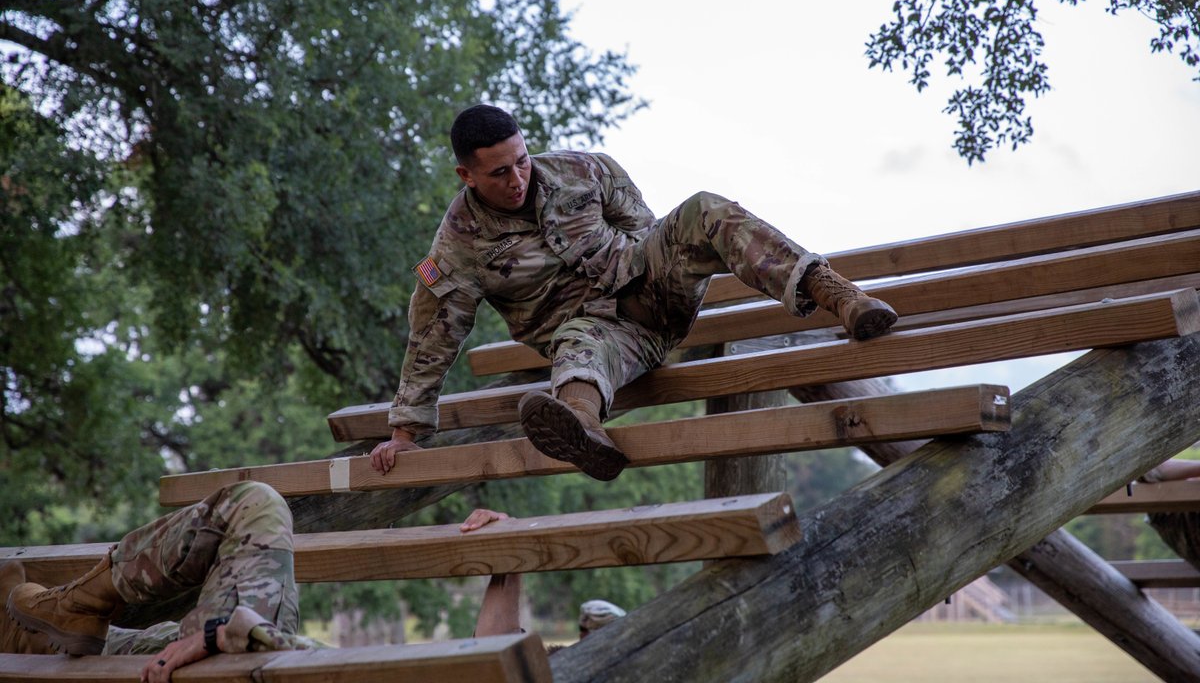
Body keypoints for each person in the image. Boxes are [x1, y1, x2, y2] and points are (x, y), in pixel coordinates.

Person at [371, 103, 898, 480]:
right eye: (500, 172)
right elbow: (433, 338)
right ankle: (582, 429)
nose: (517, 178)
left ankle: (840, 295)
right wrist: (405, 432)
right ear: (466, 175)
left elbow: (646, 228)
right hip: (599, 337)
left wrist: (652, 265)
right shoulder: (457, 247)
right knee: (578, 343)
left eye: (522, 160)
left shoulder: (584, 170)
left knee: (703, 207)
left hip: (653, 291)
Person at [2, 481, 515, 682]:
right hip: (263, 659)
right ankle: (35, 633)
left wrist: (226, 632)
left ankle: (74, 605)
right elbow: (495, 663)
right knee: (148, 643)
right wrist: (506, 563)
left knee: (255, 504)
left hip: (260, 663)